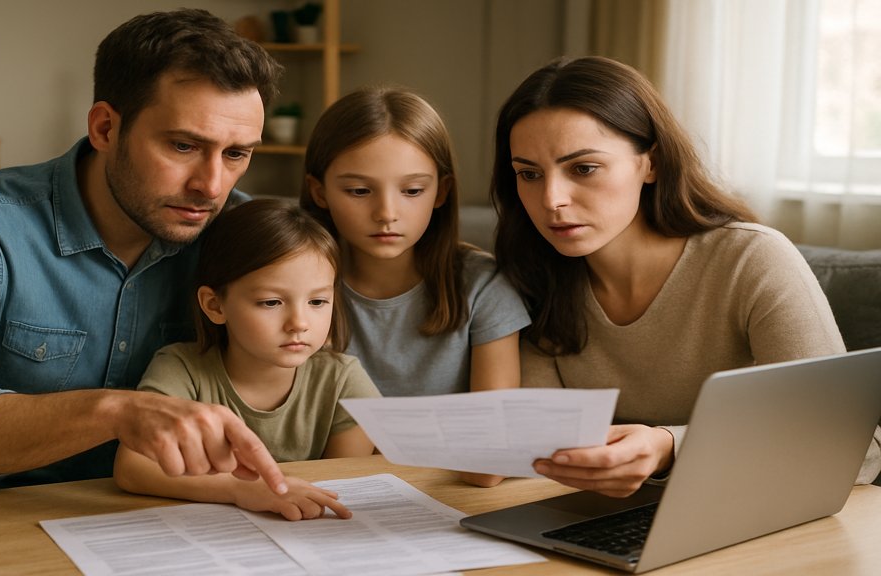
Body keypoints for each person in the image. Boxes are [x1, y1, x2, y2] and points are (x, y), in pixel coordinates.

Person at [0, 9, 289, 571]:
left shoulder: (245, 236)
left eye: (236, 154)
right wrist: (115, 412)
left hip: (158, 524)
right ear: (106, 127)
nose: (211, 184)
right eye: (183, 146)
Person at [489, 55, 881, 497]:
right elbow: (543, 446)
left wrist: (669, 445)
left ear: (650, 163)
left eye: (583, 168)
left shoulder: (752, 259)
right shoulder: (532, 274)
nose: (552, 199)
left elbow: (853, 451)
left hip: (753, 515)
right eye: (529, 174)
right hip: (603, 518)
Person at [299, 87, 531, 488]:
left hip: (452, 501)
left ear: (440, 192)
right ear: (320, 192)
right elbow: (292, 447)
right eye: (358, 190)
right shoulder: (291, 290)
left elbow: (491, 458)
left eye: (412, 191)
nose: (387, 213)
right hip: (326, 498)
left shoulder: (484, 287)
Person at [114, 199, 379, 521]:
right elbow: (133, 467)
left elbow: (341, 483)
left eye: (318, 301)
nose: (300, 322)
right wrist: (241, 490)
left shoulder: (343, 379)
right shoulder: (181, 368)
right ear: (215, 305)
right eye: (271, 302)